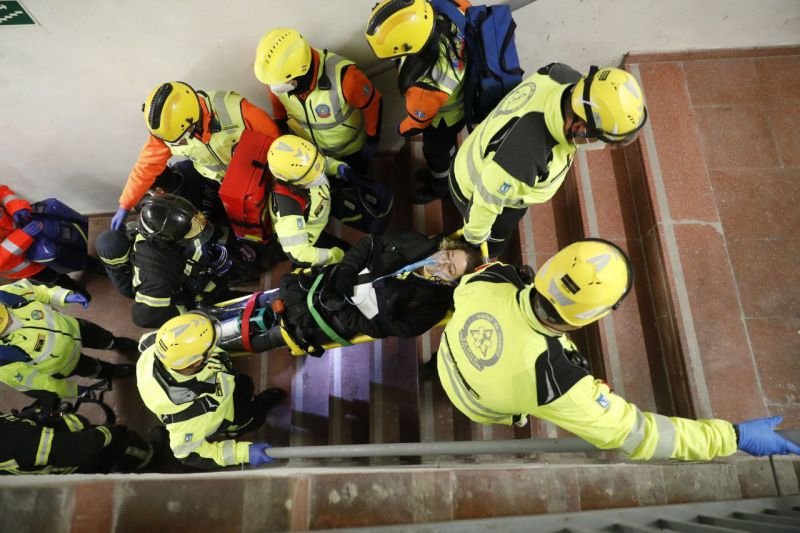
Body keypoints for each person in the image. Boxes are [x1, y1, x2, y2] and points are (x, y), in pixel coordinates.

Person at [437, 239, 800, 460]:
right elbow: (639, 435)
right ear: (593, 317)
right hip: (477, 405)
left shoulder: (493, 277)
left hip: (447, 359)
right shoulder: (561, 383)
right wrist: (733, 436)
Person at [450, 63, 648, 256]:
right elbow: (486, 199)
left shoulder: (562, 75)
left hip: (485, 161)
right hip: (473, 190)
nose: (601, 144)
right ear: (579, 128)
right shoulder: (526, 155)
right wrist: (475, 239)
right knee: (492, 246)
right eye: (602, 139)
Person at [211, 230, 483, 355]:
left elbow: (383, 328)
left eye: (451, 269)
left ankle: (218, 353)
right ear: (445, 246)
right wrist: (344, 272)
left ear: (452, 283)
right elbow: (371, 244)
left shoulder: (430, 306)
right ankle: (211, 314)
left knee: (273, 336)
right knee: (266, 300)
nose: (442, 263)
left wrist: (341, 308)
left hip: (329, 321)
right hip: (321, 284)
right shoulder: (417, 244)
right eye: (448, 254)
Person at [111, 81, 281, 230]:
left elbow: (274, 139)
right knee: (247, 222)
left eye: (183, 136)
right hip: (222, 185)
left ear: (192, 121)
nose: (176, 144)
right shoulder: (169, 131)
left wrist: (279, 177)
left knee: (274, 211)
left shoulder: (234, 110)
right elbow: (146, 167)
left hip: (259, 174)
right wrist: (125, 205)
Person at [136, 313, 286, 469]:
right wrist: (244, 453)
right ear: (195, 362)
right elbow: (188, 454)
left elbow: (144, 342)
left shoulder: (161, 346)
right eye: (208, 347)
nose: (213, 347)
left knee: (245, 383)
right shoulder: (186, 417)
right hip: (228, 413)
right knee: (255, 417)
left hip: (226, 383)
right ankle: (235, 430)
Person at [365, 0, 469, 204]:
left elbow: (416, 123)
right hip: (462, 100)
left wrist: (399, 130)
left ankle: (440, 187)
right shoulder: (446, 11)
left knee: (434, 152)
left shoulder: (425, 86)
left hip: (445, 120)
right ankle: (447, 161)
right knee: (445, 147)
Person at [96, 194, 246, 328]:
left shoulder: (158, 226)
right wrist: (188, 314)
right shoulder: (157, 277)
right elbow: (143, 317)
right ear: (166, 238)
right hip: (193, 298)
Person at [253, 28, 382, 175]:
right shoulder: (276, 79)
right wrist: (281, 132)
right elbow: (278, 109)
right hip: (317, 155)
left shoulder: (346, 78)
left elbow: (373, 103)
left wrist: (373, 139)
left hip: (352, 151)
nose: (273, 88)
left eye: (281, 84)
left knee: (359, 182)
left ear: (300, 73)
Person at [0, 279, 136, 410]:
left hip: (73, 327)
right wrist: (74, 391)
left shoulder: (6, 294)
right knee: (92, 368)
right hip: (67, 364)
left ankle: (113, 343)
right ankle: (112, 371)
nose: (9, 322)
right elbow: (40, 385)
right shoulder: (3, 360)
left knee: (99, 336)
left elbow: (37, 290)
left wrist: (63, 296)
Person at [267, 134, 351, 267]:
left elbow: (317, 164)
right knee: (350, 255)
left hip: (321, 216)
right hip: (312, 240)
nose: (319, 176)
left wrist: (337, 167)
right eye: (311, 177)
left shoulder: (302, 167)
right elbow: (299, 254)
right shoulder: (288, 210)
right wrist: (333, 256)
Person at [0, 185, 90, 298]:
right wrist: (22, 236)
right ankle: (72, 287)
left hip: (29, 232)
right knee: (50, 276)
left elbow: (2, 192)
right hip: (19, 263)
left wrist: (17, 207)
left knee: (65, 252)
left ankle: (91, 264)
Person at [0, 408, 153, 475]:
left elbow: (21, 418)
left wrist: (54, 414)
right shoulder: (12, 439)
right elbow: (72, 449)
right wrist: (107, 433)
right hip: (75, 464)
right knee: (117, 437)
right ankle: (149, 457)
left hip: (62, 443)